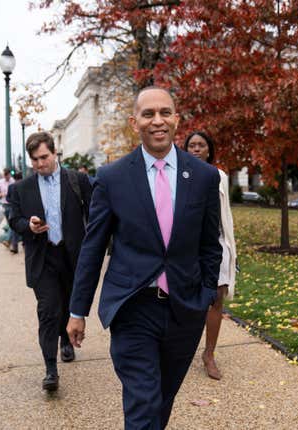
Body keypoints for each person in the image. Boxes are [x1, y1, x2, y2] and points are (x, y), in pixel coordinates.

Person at [67, 87, 222, 429]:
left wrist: (206, 292)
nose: (158, 121)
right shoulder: (112, 178)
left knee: (161, 401)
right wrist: (77, 311)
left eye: (165, 112)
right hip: (133, 306)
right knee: (143, 402)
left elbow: (211, 244)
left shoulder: (204, 177)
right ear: (134, 121)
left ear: (177, 119)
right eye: (148, 114)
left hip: (185, 307)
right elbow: (93, 247)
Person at [8, 132, 92, 392]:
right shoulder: (21, 188)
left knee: (67, 304)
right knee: (48, 311)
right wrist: (28, 226)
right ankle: (50, 369)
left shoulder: (77, 180)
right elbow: (14, 219)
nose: (39, 164)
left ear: (55, 153)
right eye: (34, 159)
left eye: (44, 157)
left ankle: (65, 342)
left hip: (72, 255)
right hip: (42, 257)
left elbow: (95, 212)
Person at [184, 131, 237, 380]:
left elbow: (226, 214)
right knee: (187, 298)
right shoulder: (178, 176)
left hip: (216, 243)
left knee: (217, 297)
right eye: (191, 145)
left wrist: (230, 248)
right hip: (188, 245)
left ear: (209, 150)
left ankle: (209, 354)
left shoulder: (220, 176)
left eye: (201, 145)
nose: (196, 149)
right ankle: (179, 350)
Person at [0, 168, 17, 253]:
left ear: (9, 174)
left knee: (12, 224)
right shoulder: (0, 182)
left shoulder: (13, 181)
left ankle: (11, 243)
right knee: (11, 225)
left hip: (12, 205)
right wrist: (2, 194)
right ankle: (12, 244)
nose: (6, 177)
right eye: (4, 175)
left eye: (7, 175)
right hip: (5, 204)